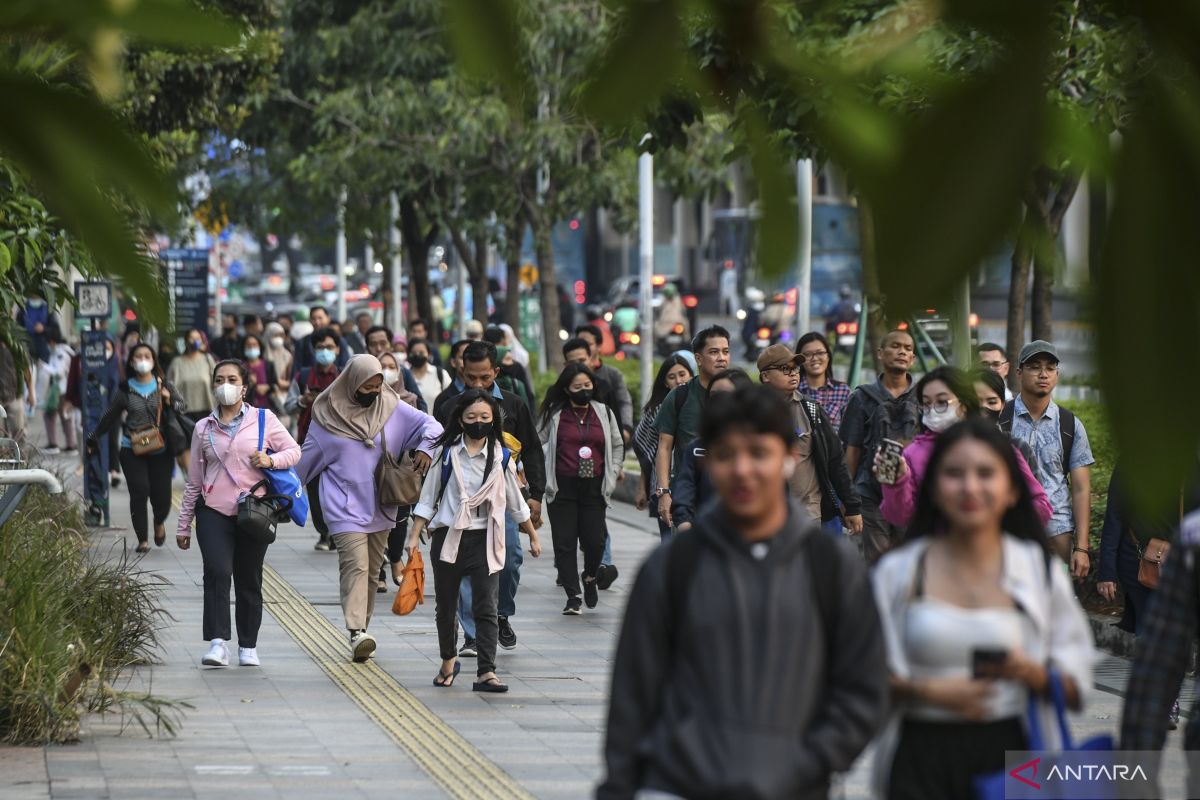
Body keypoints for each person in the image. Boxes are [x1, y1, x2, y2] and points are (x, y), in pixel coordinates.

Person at [600, 385, 888, 800]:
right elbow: (633, 694)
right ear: (708, 462)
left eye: (759, 453)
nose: (743, 469)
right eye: (726, 454)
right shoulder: (673, 565)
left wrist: (810, 761)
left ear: (789, 458)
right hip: (678, 784)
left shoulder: (828, 563)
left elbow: (863, 686)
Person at [871, 417, 1094, 800]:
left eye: (986, 473)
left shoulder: (1039, 572)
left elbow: (1078, 687)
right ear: (935, 489)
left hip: (1016, 760)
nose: (970, 487)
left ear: (1011, 489)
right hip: (918, 758)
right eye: (954, 473)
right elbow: (858, 675)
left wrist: (1034, 674)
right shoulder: (898, 571)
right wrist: (927, 692)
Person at [297, 355, 442, 662]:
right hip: (342, 508)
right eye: (368, 386)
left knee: (373, 570)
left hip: (382, 506)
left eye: (378, 385)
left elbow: (432, 426)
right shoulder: (326, 419)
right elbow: (303, 464)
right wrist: (276, 491)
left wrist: (427, 449)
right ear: (351, 383)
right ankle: (356, 631)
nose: (374, 391)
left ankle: (362, 629)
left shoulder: (391, 408)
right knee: (356, 566)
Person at [406, 390, 540, 692]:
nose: (478, 423)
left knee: (487, 606)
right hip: (447, 537)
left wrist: (532, 535)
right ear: (460, 419)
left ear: (493, 420)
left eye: (484, 418)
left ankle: (486, 672)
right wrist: (413, 536)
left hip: (486, 539)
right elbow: (427, 498)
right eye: (471, 418)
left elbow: (515, 499)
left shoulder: (500, 455)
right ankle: (448, 661)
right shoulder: (446, 453)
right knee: (446, 606)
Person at [175, 359, 300, 668]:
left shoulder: (263, 419)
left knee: (249, 577)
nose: (225, 385)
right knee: (217, 572)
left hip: (253, 510)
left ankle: (248, 645)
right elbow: (193, 481)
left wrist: (271, 461)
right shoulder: (203, 427)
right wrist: (183, 525)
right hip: (213, 512)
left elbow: (294, 450)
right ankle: (218, 643)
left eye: (232, 379)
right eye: (219, 379)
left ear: (244, 387)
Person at [431, 340, 545, 652]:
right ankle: (473, 633)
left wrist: (534, 495)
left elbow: (532, 450)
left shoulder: (512, 404)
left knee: (509, 560)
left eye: (485, 378)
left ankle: (500, 614)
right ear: (460, 370)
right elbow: (437, 453)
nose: (478, 384)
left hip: (502, 498)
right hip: (460, 505)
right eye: (471, 378)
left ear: (495, 371)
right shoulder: (447, 405)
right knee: (469, 569)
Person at [879, 365, 1051, 530]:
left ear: (964, 403)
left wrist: (996, 524)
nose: (932, 410)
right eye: (926, 403)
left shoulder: (998, 448)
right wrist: (896, 482)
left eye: (942, 401)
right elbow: (899, 517)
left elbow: (1041, 506)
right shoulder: (912, 454)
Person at [1000, 340, 1095, 577]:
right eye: (1034, 366)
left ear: (1057, 375)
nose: (1043, 374)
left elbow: (1082, 489)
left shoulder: (1070, 424)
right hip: (1009, 531)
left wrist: (1082, 548)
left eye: (1050, 368)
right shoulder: (1002, 419)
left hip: (1057, 532)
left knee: (1056, 603)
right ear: (1019, 372)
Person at [538, 364, 624, 614]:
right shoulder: (555, 414)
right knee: (564, 543)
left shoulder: (604, 412)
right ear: (566, 389)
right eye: (578, 387)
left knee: (595, 542)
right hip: (562, 488)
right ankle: (572, 595)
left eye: (588, 385)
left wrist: (615, 467)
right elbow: (536, 442)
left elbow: (618, 444)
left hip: (594, 488)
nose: (584, 390)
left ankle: (589, 577)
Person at [88, 344, 185, 552]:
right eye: (138, 356)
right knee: (139, 491)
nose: (142, 359)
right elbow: (110, 415)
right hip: (131, 448)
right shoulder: (125, 388)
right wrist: (94, 436)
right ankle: (143, 539)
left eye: (147, 356)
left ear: (153, 360)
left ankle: (159, 521)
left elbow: (182, 407)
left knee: (162, 497)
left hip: (160, 449)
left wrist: (169, 400)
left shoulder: (164, 384)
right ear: (132, 361)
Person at [757, 344, 863, 535]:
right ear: (765, 376)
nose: (793, 374)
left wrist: (852, 505)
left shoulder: (811, 410)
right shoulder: (751, 413)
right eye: (785, 369)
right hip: (764, 513)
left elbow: (835, 460)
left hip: (807, 514)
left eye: (796, 368)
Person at [839, 329, 920, 563]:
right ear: (880, 353)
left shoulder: (922, 396)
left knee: (909, 561)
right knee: (878, 562)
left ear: (913, 358)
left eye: (907, 348)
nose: (901, 352)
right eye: (895, 346)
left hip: (912, 494)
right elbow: (852, 449)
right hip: (870, 494)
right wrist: (849, 497)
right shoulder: (862, 397)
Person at [654, 325, 731, 529]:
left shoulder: (742, 396)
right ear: (698, 359)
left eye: (726, 351)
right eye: (714, 352)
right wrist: (663, 493)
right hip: (687, 499)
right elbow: (664, 447)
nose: (721, 358)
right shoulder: (680, 396)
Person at [670, 368, 755, 531]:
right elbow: (684, 494)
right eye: (713, 396)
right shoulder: (697, 448)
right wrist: (685, 526)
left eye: (724, 395)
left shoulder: (761, 447)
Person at [285, 328, 341, 550]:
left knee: (337, 490)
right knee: (315, 492)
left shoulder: (344, 376)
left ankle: (338, 532)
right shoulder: (303, 375)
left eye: (329, 347)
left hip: (339, 443)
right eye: (320, 348)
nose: (324, 351)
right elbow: (287, 406)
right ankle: (324, 534)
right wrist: (302, 400)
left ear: (337, 349)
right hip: (308, 442)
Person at [632, 356, 693, 539]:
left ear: (691, 375)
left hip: (693, 482)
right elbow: (648, 452)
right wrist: (643, 488)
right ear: (665, 382)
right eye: (671, 377)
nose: (678, 380)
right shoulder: (657, 410)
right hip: (665, 486)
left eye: (682, 374)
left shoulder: (701, 403)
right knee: (670, 542)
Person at [575, 324, 633, 437]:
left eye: (588, 344)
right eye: (579, 344)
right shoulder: (569, 376)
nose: (583, 348)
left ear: (599, 346)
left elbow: (624, 401)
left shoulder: (612, 375)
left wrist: (626, 428)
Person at [796, 331, 852, 431]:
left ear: (828, 356)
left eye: (820, 353)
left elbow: (850, 433)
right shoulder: (793, 392)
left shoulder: (843, 391)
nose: (815, 358)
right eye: (807, 354)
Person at [364, 326, 425, 409]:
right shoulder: (362, 374)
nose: (378, 348)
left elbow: (420, 404)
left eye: (383, 343)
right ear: (367, 348)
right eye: (373, 344)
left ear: (391, 346)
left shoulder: (403, 372)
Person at [37, 323, 75, 454]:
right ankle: (70, 444)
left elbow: (58, 371)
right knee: (62, 416)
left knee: (53, 416)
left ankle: (57, 444)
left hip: (61, 390)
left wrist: (44, 367)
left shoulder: (61, 353)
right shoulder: (63, 351)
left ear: (52, 341)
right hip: (61, 390)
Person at [168, 329, 217, 425]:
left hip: (207, 412)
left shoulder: (208, 359)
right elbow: (170, 385)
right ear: (186, 341)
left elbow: (216, 382)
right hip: (183, 414)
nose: (195, 341)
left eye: (198, 338)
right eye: (192, 338)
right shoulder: (177, 362)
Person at [293, 306, 352, 372]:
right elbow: (297, 368)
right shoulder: (303, 342)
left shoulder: (339, 340)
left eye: (320, 318)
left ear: (328, 318)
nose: (317, 322)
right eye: (313, 319)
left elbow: (345, 364)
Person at [0, 340, 34, 442]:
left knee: (19, 432)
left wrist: (31, 392)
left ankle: (20, 456)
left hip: (14, 394)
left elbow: (26, 369)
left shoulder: (16, 344)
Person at [407, 338, 452, 410]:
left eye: (421, 352)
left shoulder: (440, 374)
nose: (417, 355)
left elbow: (451, 398)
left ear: (429, 354)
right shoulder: (404, 376)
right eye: (413, 353)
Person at [263, 322, 293, 426]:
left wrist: (283, 384)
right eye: (275, 335)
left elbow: (292, 379)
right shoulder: (262, 356)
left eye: (281, 335)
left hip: (282, 399)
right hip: (265, 398)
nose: (278, 339)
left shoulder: (287, 356)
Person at [241, 334, 279, 413]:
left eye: (254, 344)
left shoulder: (268, 365)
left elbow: (275, 384)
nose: (251, 347)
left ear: (260, 346)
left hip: (267, 408)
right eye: (248, 345)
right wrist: (251, 384)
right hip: (247, 409)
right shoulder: (241, 367)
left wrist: (268, 387)